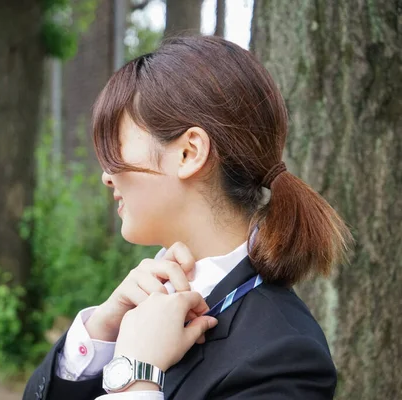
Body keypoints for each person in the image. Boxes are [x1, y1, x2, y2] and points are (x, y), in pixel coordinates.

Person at [23, 35, 352, 400]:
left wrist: (136, 377)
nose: (106, 175)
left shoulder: (285, 358)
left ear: (188, 153)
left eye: (116, 146)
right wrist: (100, 334)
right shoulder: (141, 305)